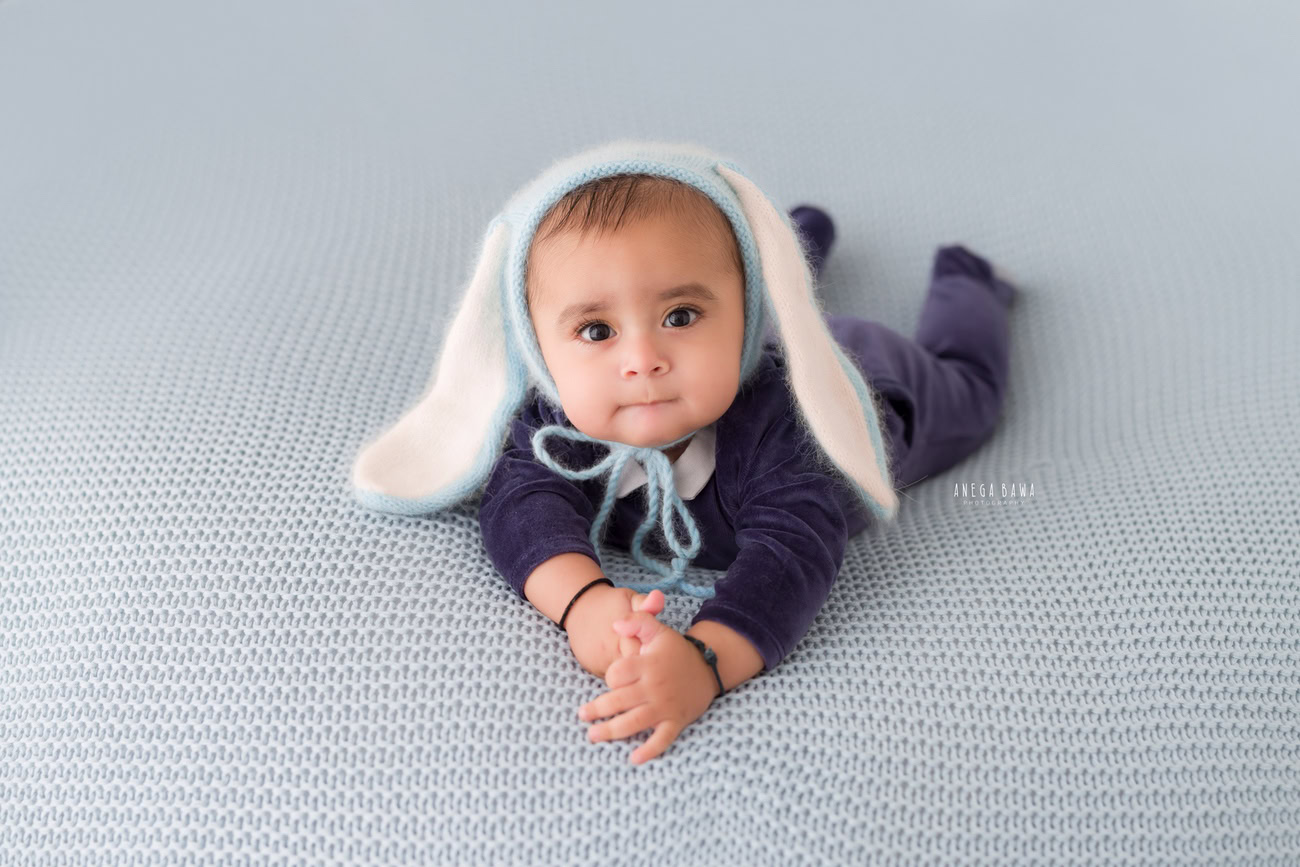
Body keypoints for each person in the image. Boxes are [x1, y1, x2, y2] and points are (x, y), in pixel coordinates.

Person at [350, 140, 1015, 765]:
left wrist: (706, 661)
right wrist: (583, 602)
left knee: (971, 390)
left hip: (877, 381)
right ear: (539, 348)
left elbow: (793, 550)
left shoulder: (782, 436)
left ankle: (969, 285)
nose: (643, 361)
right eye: (595, 329)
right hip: (747, 327)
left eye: (679, 317)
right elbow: (520, 504)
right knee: (699, 267)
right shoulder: (559, 422)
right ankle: (783, 242)